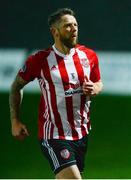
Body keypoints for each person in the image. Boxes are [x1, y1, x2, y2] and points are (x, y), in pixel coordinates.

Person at [9, 8, 103, 179]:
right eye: (68, 26)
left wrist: (96, 88)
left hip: (81, 133)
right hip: (54, 135)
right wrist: (15, 120)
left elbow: (98, 82)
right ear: (55, 32)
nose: (74, 29)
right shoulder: (40, 60)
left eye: (75, 25)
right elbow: (16, 86)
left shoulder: (88, 56)